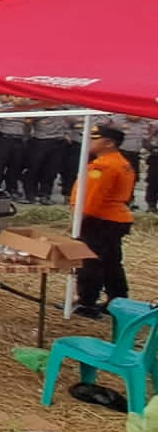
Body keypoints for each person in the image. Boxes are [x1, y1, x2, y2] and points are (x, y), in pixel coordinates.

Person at [72, 123, 138, 319]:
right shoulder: (121, 162)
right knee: (111, 262)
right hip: (114, 218)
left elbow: (91, 198)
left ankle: (87, 302)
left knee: (91, 261)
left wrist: (79, 218)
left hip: (101, 219)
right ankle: (118, 299)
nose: (89, 142)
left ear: (109, 143)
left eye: (94, 139)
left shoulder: (104, 166)